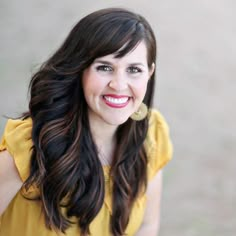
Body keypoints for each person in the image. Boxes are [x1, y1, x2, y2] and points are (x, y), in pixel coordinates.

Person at [0, 7, 173, 236]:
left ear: (149, 73)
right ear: (79, 69)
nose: (119, 84)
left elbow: (146, 227)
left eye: (134, 69)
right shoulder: (31, 143)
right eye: (104, 67)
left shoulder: (151, 133)